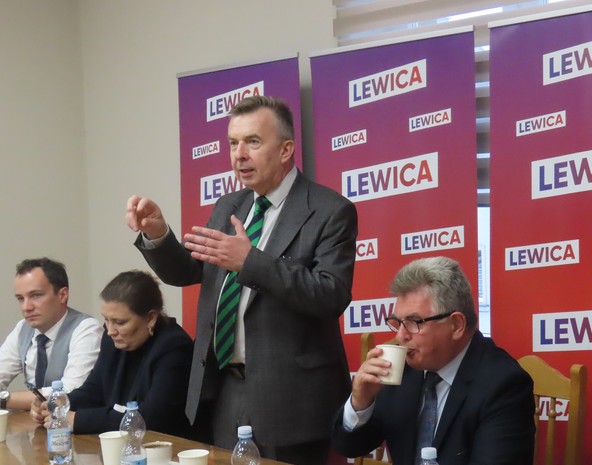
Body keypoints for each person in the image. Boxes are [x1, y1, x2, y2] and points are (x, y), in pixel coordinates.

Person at [125, 95, 358, 464]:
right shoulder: (229, 206)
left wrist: (250, 262)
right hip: (223, 389)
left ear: (286, 150)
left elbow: (330, 294)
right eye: (233, 143)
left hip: (291, 400)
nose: (239, 155)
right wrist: (158, 234)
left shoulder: (329, 210)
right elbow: (188, 271)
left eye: (253, 142)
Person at [332, 256, 535, 465]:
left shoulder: (504, 384)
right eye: (398, 323)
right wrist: (361, 401)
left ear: (456, 325)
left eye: (413, 322)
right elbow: (350, 447)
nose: (401, 336)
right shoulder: (400, 369)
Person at [31, 270, 193, 436]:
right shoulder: (112, 339)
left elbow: (151, 417)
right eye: (106, 320)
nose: (110, 331)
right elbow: (94, 390)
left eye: (120, 322)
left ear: (150, 318)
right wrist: (60, 404)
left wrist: (77, 420)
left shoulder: (174, 346)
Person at [0, 257, 102, 411]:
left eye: (36, 295)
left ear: (62, 295)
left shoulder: (87, 328)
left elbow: (69, 391)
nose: (26, 307)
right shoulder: (23, 329)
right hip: (36, 420)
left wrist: (4, 399)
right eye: (20, 298)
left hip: (76, 421)